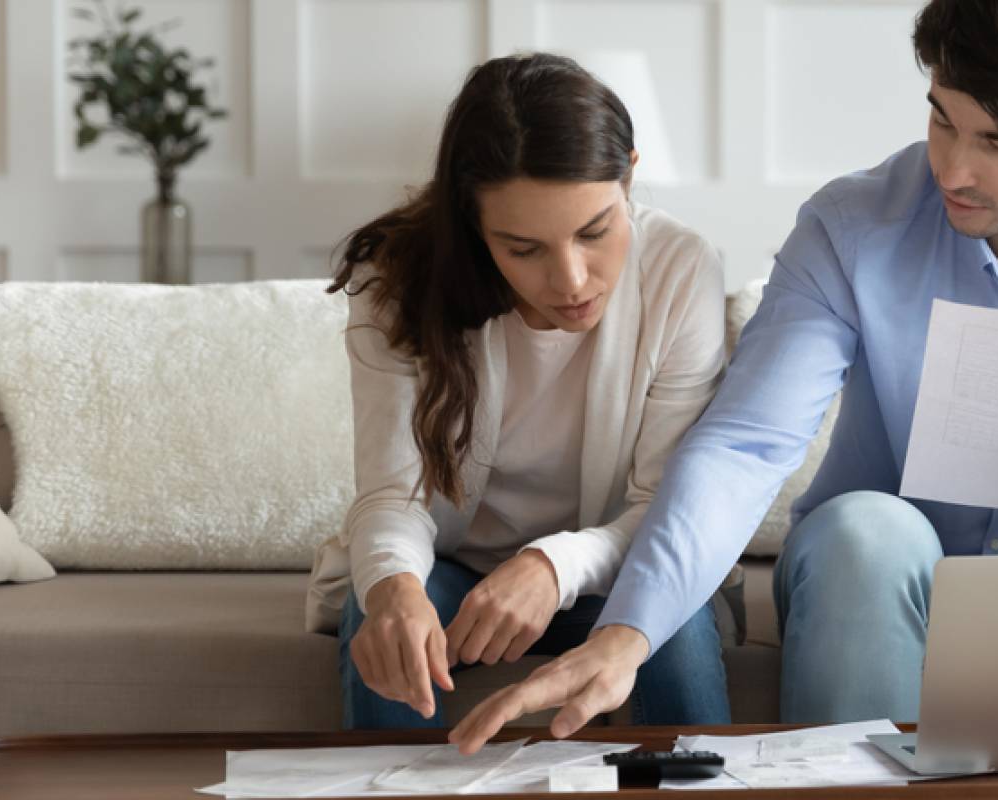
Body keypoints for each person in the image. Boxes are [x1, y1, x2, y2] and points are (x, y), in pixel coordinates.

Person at [450, 0, 998, 752]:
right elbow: (744, 444)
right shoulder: (851, 226)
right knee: (863, 532)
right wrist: (627, 634)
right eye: (943, 117)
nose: (952, 167)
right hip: (886, 578)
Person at [304, 52, 731, 731]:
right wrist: (394, 589)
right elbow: (393, 495)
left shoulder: (682, 270)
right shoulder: (397, 281)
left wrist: (550, 567)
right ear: (475, 228)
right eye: (523, 249)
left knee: (669, 626)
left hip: (613, 574)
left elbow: (666, 508)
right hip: (451, 569)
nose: (571, 280)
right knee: (385, 620)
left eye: (595, 232)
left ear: (630, 177)